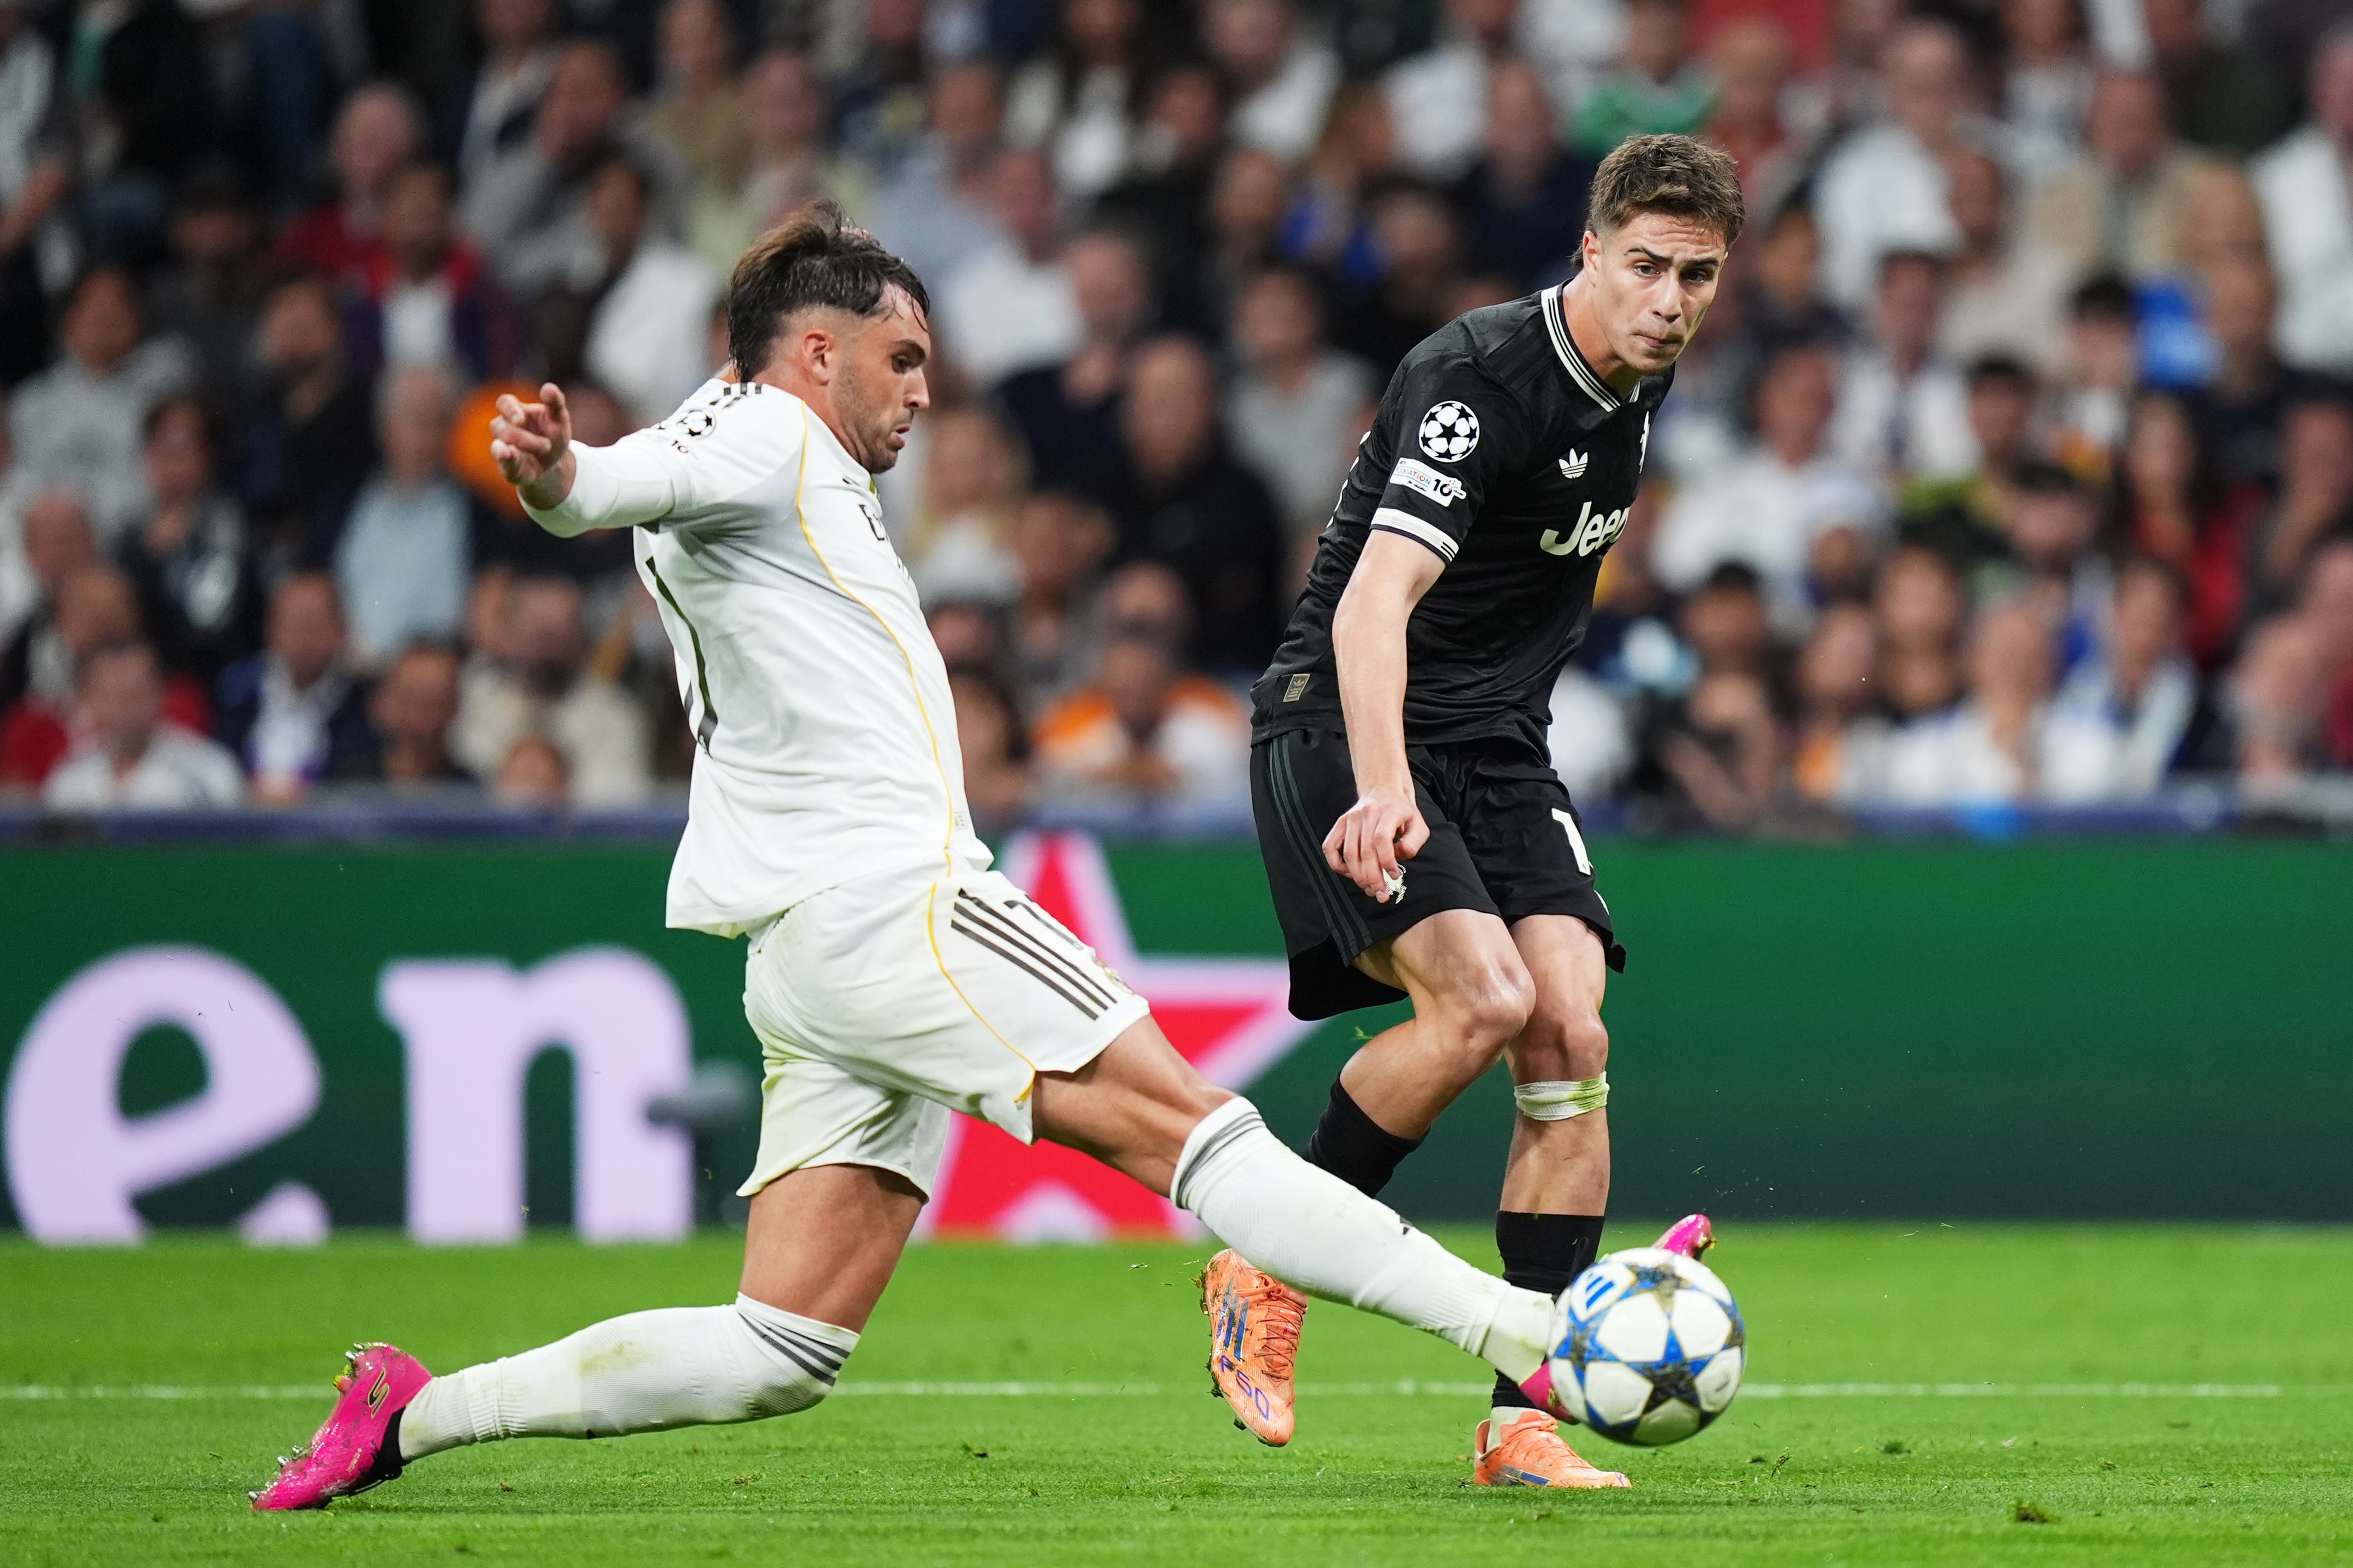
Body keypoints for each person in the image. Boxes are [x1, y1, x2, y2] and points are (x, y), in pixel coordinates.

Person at [251, 203, 1589, 1513]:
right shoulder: (769, 430)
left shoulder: (744, 433)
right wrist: (554, 472)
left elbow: (640, 476)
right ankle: (1537, 1336)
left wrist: (576, 478)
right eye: (904, 360)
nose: (925, 394)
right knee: (1206, 1139)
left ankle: (414, 1413)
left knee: (778, 1350)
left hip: (812, 953)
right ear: (816, 352)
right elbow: (605, 488)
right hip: (897, 904)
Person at [1217, 135, 1739, 1485]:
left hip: (1498, 746)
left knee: (1570, 1028)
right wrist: (1383, 788)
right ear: (1587, 252)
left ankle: (1522, 1421)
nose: (1669, 299)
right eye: (1644, 267)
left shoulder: (1638, 384)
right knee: (1485, 1004)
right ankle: (1260, 1262)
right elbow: (1374, 603)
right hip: (1342, 720)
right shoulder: (1476, 379)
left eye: (1696, 274)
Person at [42, 640, 243, 812]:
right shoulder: (69, 780)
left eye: (135, 695)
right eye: (110, 696)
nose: (124, 709)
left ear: (161, 694)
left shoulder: (211, 771)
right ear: (88, 699)